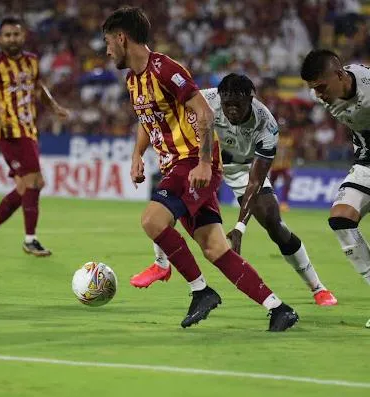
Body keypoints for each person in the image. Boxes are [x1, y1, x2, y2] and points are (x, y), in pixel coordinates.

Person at [103, 6, 298, 331]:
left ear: (122, 38)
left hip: (192, 163)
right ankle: (278, 308)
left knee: (151, 220)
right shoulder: (133, 81)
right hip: (177, 168)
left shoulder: (165, 68)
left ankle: (201, 291)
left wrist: (206, 162)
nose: (107, 51)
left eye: (109, 43)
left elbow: (204, 112)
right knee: (215, 249)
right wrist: (137, 154)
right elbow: (147, 119)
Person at [131, 73, 337, 307]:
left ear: (251, 99)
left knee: (273, 223)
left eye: (237, 105)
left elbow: (255, 180)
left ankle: (317, 287)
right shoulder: (205, 99)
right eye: (227, 105)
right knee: (172, 201)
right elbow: (158, 114)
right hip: (202, 163)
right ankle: (161, 263)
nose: (231, 111)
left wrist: (239, 227)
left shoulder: (266, 124)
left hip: (243, 168)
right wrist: (140, 152)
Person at [0, 17, 69, 256]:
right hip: (10, 132)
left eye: (16, 34)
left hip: (29, 130)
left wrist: (54, 106)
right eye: (7, 35)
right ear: (0, 39)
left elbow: (38, 88)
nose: (12, 39)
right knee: (35, 182)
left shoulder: (32, 61)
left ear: (23, 36)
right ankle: (30, 239)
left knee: (27, 187)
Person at [301, 49, 370, 328]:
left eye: (321, 87)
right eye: (313, 89)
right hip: (367, 161)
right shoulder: (329, 95)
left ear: (340, 76)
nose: (318, 95)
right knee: (341, 218)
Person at [269, 118, 294, 212]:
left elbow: (292, 152)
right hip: (275, 165)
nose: (282, 128)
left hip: (285, 165)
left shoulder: (290, 138)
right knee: (271, 184)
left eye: (284, 126)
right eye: (281, 126)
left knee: (287, 182)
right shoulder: (274, 137)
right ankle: (271, 202)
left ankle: (284, 203)